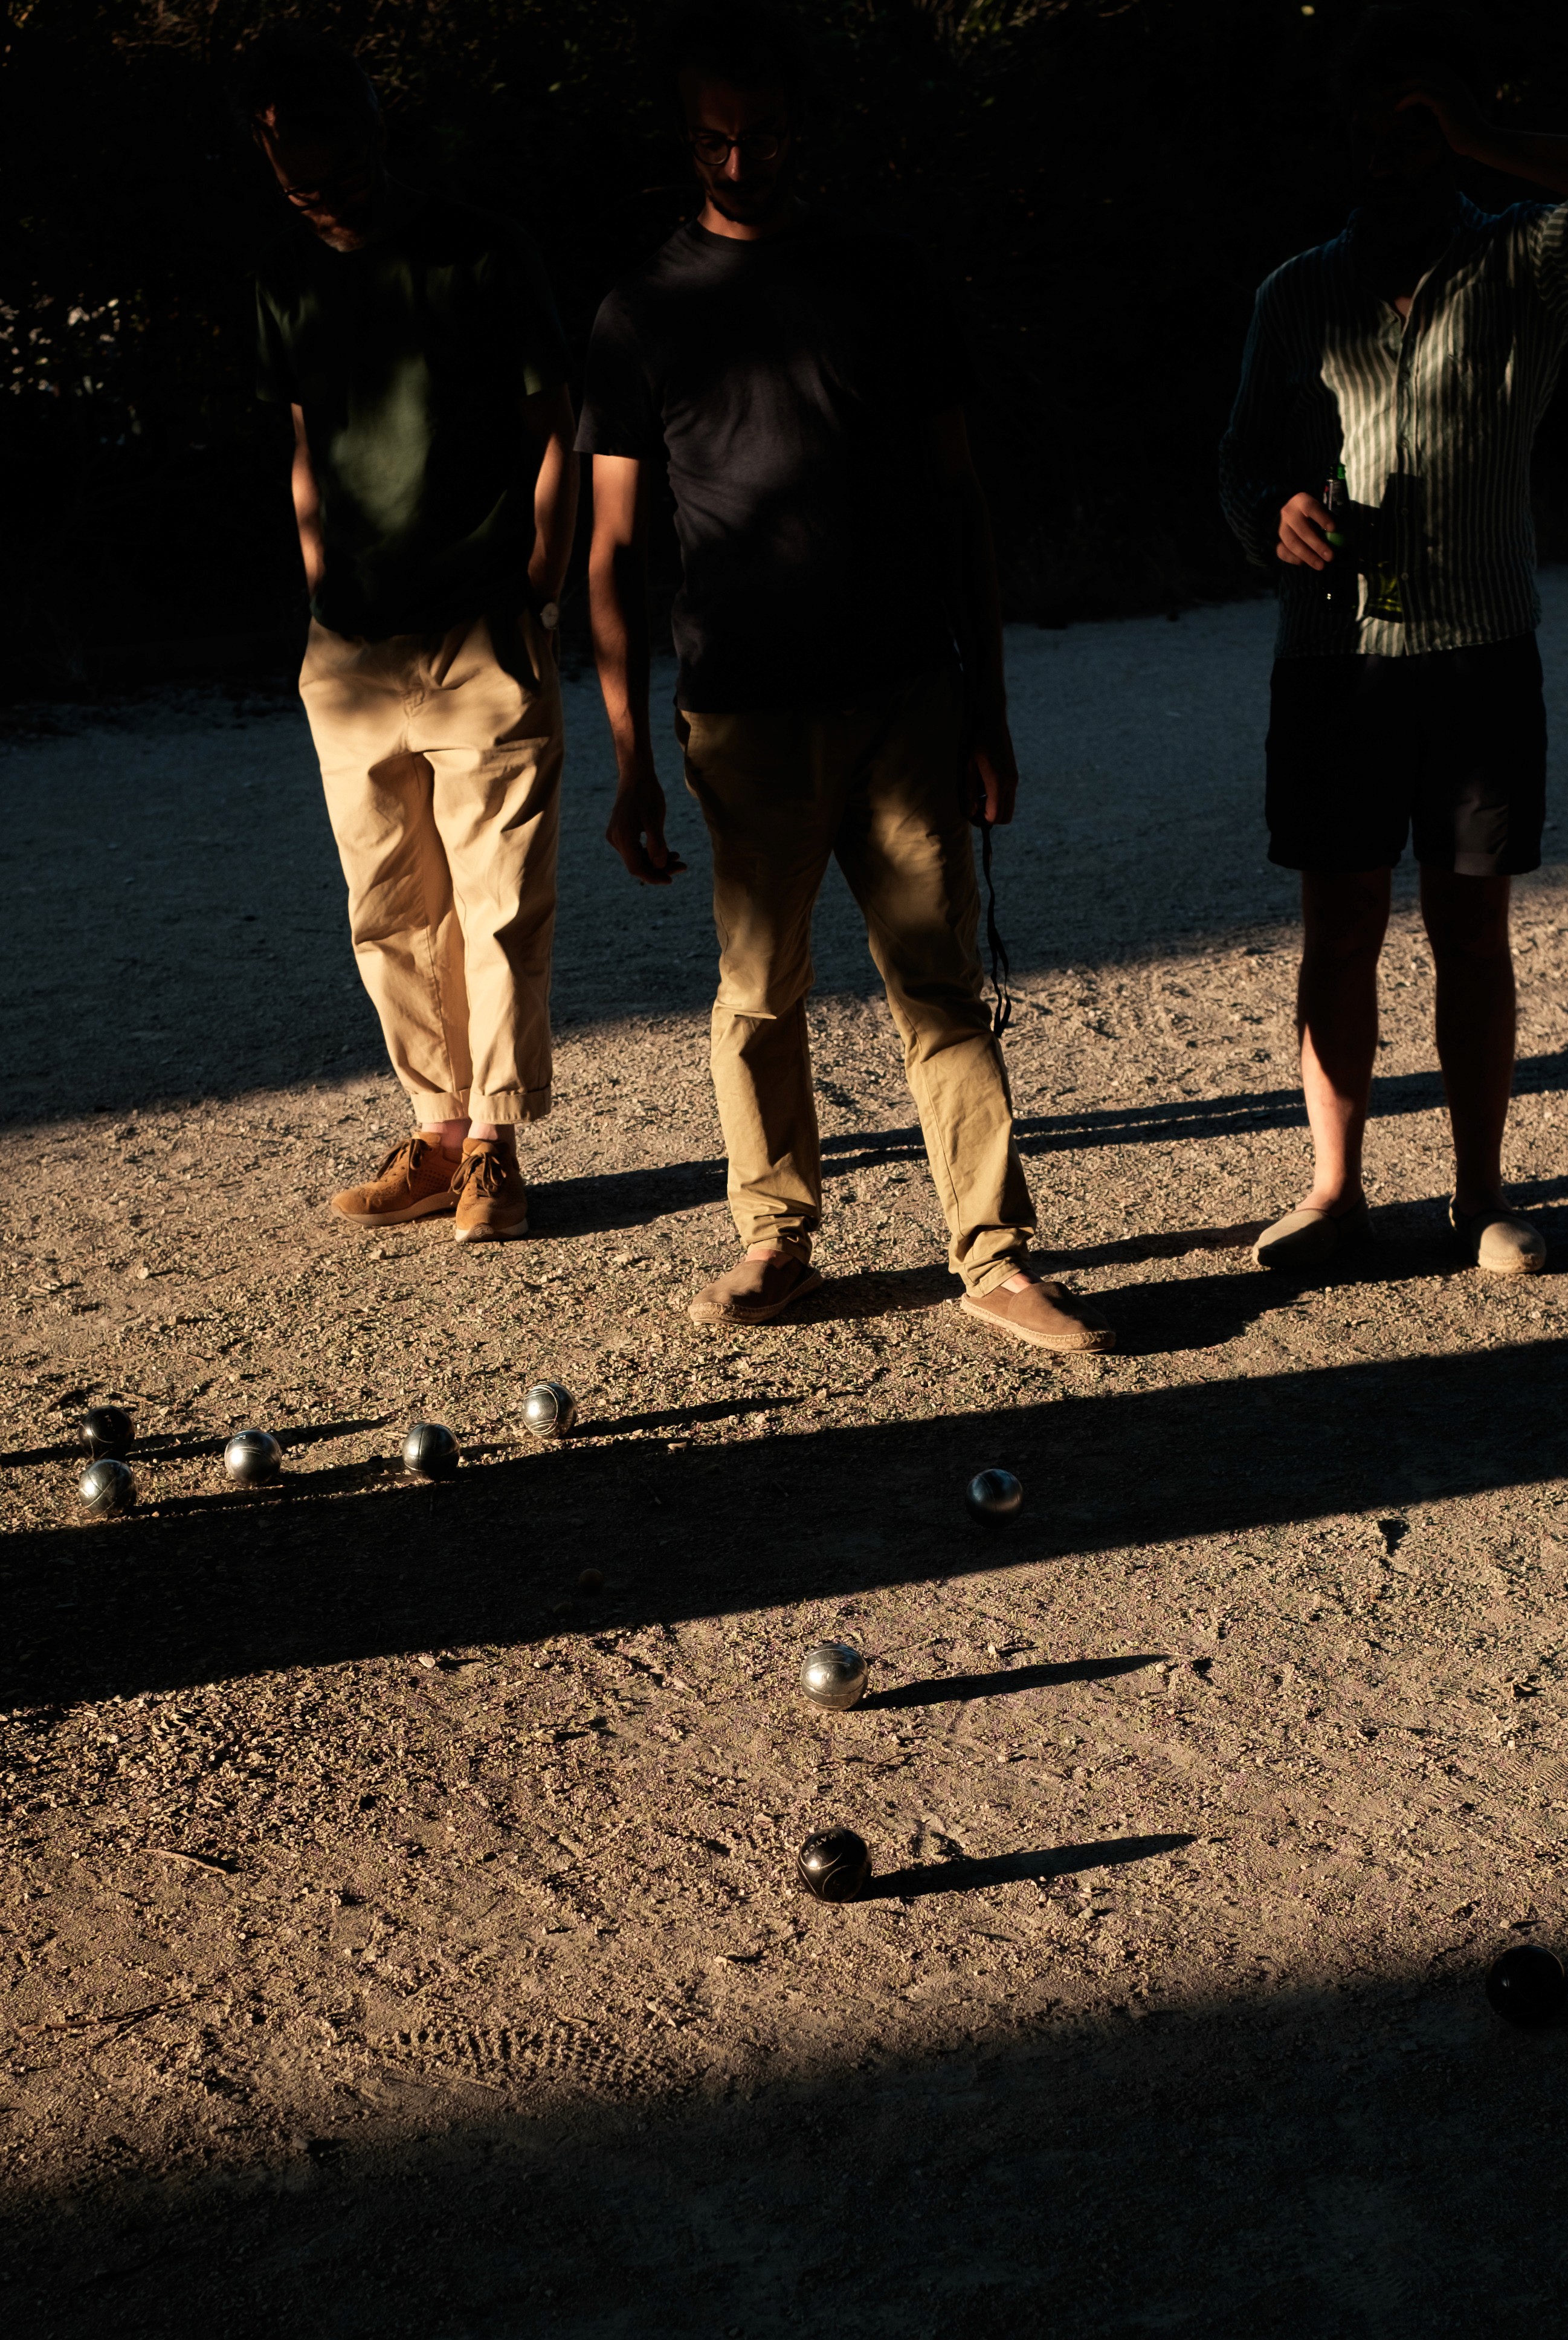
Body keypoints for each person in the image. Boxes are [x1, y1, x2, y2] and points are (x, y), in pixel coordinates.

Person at [579, 0, 1111, 1351]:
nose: (740, 163)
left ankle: (991, 1256)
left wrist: (987, 706)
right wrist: (631, 755)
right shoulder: (642, 316)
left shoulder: (884, 282)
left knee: (935, 986)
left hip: (901, 698)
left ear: (801, 131)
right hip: (743, 711)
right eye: (714, 139)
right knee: (758, 992)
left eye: (760, 136)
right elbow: (612, 550)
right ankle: (777, 1238)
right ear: (686, 139)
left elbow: (958, 506)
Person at [1219, 4, 1568, 1278]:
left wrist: (1484, 136)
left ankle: (1480, 1197)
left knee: (1472, 929)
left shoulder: (1526, 264)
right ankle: (1334, 1192)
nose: (1393, 149)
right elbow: (1243, 461)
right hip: (1335, 656)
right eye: (1375, 124)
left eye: (1421, 121)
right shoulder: (1297, 293)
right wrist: (1273, 515)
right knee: (1342, 925)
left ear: (1462, 125)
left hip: (1482, 651)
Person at [240, 27, 580, 1244]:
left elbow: (556, 420)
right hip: (352, 643)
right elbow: (303, 438)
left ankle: (495, 1141)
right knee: (386, 901)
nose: (312, 192)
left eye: (328, 166)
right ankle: (436, 1131)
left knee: (497, 901)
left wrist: (540, 584)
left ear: (375, 134)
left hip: (478, 621)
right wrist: (318, 571)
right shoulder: (286, 274)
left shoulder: (481, 253)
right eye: (290, 172)